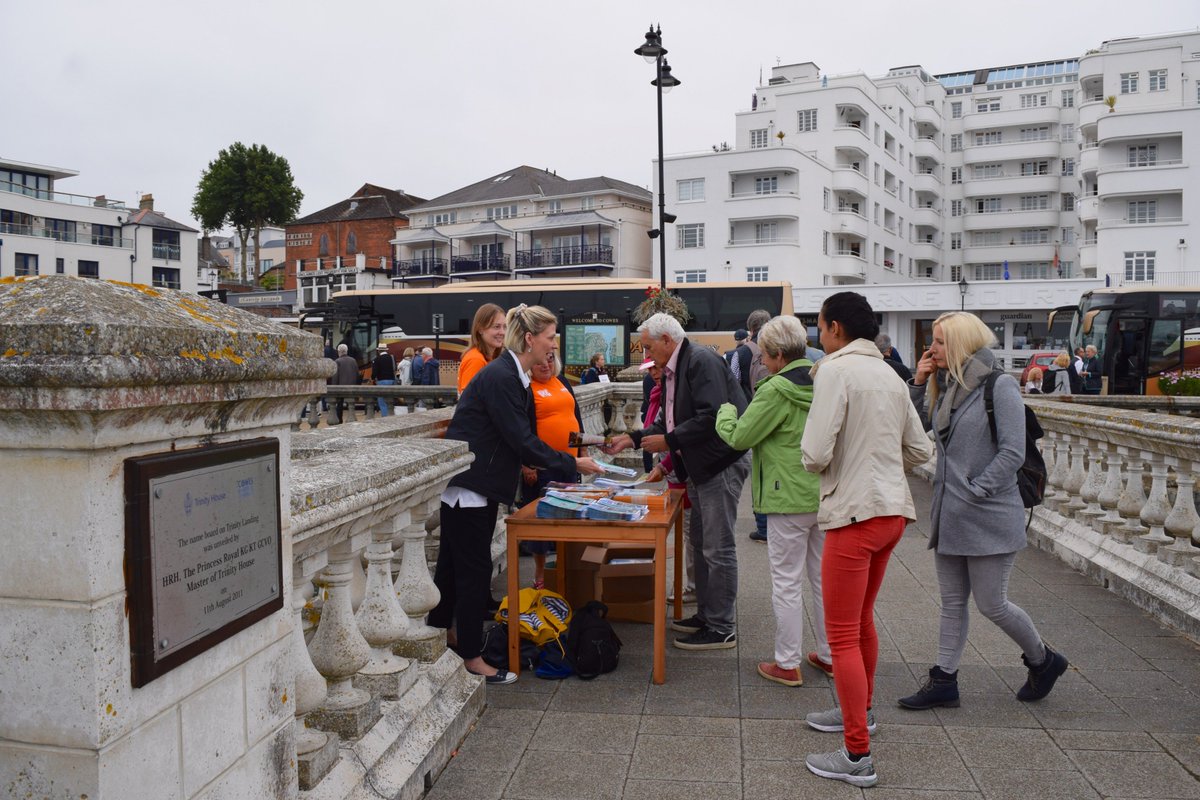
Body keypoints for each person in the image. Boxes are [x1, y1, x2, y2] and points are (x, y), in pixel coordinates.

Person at [898, 311, 1068, 714]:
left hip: (987, 511)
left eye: (939, 341)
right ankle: (943, 681)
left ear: (958, 343)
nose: (931, 348)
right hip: (950, 512)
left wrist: (978, 488)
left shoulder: (1000, 385)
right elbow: (920, 427)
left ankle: (1043, 660)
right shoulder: (949, 384)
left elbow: (1012, 450)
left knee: (993, 603)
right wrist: (919, 383)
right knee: (952, 602)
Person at [798, 291, 933, 788]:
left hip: (853, 514)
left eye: (820, 326)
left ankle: (857, 753)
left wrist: (843, 462)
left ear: (833, 328)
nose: (818, 334)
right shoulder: (890, 375)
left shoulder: (835, 371)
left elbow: (813, 453)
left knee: (841, 636)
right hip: (891, 512)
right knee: (860, 621)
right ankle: (862, 712)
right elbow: (918, 449)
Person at [429, 304, 602, 684]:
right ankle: (473, 656)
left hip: (474, 483)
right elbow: (522, 441)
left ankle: (444, 633)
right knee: (473, 572)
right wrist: (573, 464)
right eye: (550, 337)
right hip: (472, 485)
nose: (553, 345)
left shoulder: (510, 373)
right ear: (529, 339)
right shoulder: (503, 376)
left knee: (453, 567)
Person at [605, 313, 750, 651]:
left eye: (648, 346)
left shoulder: (701, 361)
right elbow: (667, 421)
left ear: (667, 340)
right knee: (701, 544)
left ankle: (722, 626)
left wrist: (669, 441)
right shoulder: (675, 367)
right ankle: (707, 615)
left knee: (718, 547)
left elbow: (711, 417)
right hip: (702, 467)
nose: (646, 354)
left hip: (719, 463)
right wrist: (632, 438)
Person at [714, 315, 832, 687]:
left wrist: (726, 410)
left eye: (764, 355)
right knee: (822, 580)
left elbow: (739, 437)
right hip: (824, 493)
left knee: (785, 582)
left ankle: (787, 661)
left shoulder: (775, 389)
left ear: (779, 355)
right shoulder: (825, 381)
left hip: (786, 498)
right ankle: (830, 654)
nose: (761, 362)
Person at [520, 347, 583, 588]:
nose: (545, 365)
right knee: (541, 523)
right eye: (540, 362)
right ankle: (540, 574)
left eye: (549, 360)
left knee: (569, 518)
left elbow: (574, 417)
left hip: (570, 462)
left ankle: (565, 570)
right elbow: (523, 430)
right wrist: (527, 464)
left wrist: (583, 450)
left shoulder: (563, 382)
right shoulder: (527, 389)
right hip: (542, 467)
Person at [640, 357, 696, 605]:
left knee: (690, 531)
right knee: (687, 529)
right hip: (670, 468)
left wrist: (665, 465)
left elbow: (677, 437)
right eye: (650, 368)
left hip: (680, 469)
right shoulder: (657, 392)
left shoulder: (673, 394)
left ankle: (694, 586)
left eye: (656, 367)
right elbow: (654, 429)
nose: (653, 372)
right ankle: (693, 585)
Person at [736, 309, 773, 543]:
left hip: (755, 411)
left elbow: (734, 382)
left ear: (751, 328)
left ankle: (763, 527)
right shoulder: (811, 352)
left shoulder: (742, 353)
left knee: (760, 471)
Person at [457, 303, 506, 395]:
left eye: (504, 327)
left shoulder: (486, 358)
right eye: (496, 327)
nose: (502, 332)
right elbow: (468, 403)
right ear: (480, 329)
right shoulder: (476, 360)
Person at [332, 343, 360, 423]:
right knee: (351, 405)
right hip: (352, 386)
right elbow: (357, 374)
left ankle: (339, 420)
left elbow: (335, 376)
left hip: (341, 387)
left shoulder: (337, 361)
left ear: (339, 352)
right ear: (346, 351)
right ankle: (351, 419)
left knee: (339, 405)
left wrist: (334, 387)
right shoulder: (353, 360)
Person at [371, 344, 396, 417]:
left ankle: (385, 416)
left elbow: (375, 372)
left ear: (378, 350)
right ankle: (391, 414)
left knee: (382, 401)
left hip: (382, 381)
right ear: (386, 350)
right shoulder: (391, 358)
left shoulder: (377, 359)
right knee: (390, 399)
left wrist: (372, 378)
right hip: (391, 380)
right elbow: (395, 369)